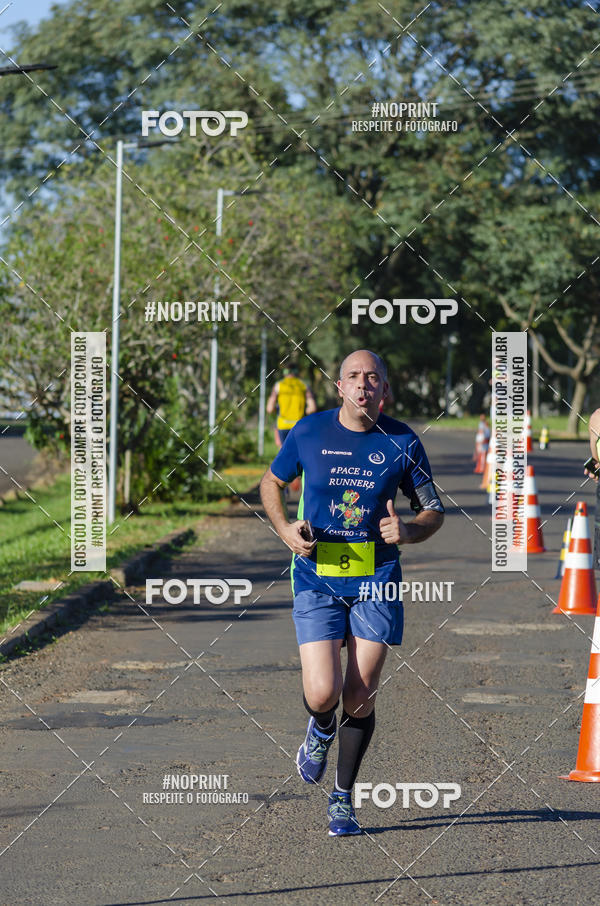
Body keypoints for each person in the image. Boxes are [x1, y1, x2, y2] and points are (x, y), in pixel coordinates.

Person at [260, 349, 444, 836]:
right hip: (317, 576)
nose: (363, 385)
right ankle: (319, 728)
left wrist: (410, 531)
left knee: (360, 696)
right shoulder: (308, 432)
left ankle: (343, 798)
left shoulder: (403, 441)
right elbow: (271, 482)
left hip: (375, 578)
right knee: (323, 692)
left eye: (373, 378)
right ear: (339, 386)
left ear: (385, 389)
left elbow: (433, 511)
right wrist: (284, 530)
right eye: (353, 377)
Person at [266, 368, 317, 449]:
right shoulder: (303, 385)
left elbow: (269, 409)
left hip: (282, 425)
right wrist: (304, 411)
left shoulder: (278, 385)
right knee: (298, 451)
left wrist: (277, 409)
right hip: (298, 425)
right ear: (296, 373)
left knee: (284, 452)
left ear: (285, 373)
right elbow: (312, 408)